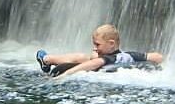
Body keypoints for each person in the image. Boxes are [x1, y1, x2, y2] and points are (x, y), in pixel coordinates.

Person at [35, 24, 164, 79]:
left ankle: (47, 59)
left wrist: (64, 75)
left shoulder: (109, 59)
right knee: (86, 57)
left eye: (97, 44)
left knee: (84, 57)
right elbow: (157, 57)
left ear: (111, 44)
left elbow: (91, 64)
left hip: (100, 61)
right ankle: (46, 59)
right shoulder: (131, 55)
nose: (95, 47)